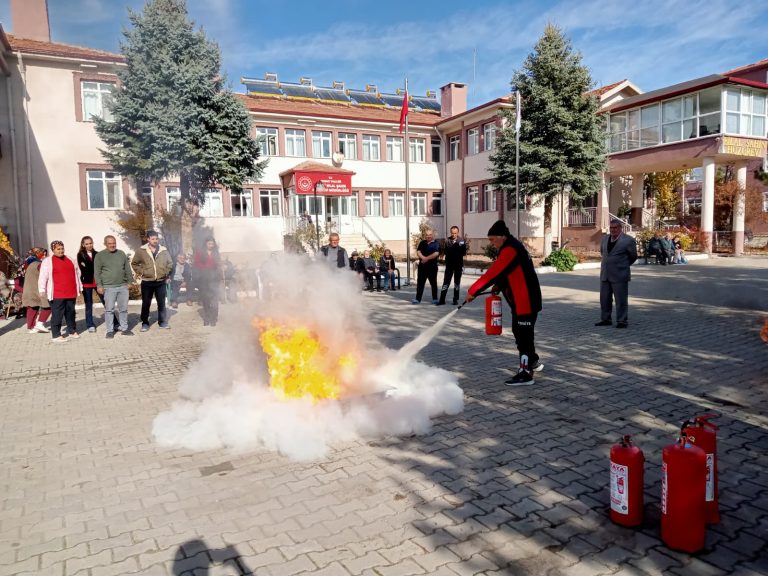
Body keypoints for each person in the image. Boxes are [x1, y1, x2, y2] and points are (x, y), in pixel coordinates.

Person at [466, 220, 543, 386]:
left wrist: (473, 291)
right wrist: (499, 285)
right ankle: (533, 361)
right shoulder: (511, 246)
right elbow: (508, 271)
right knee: (520, 332)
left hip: (525, 302)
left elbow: (493, 273)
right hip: (522, 301)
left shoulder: (510, 249)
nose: (491, 243)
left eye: (492, 240)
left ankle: (525, 373)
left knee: (523, 336)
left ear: (502, 236)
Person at [596, 219, 638, 329]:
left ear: (620, 228)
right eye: (611, 228)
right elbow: (603, 253)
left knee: (621, 300)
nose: (613, 230)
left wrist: (622, 265)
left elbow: (633, 256)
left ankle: (622, 321)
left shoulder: (628, 240)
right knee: (604, 299)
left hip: (620, 274)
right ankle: (605, 319)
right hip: (605, 274)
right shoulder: (605, 238)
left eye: (615, 228)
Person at [38, 240, 82, 343]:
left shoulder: (70, 259)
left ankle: (72, 331)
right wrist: (42, 289)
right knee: (57, 314)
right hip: (57, 293)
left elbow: (77, 274)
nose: (61, 251)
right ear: (53, 250)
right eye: (58, 249)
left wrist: (79, 287)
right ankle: (56, 335)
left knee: (70, 313)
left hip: (70, 292)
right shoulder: (47, 261)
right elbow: (43, 276)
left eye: (62, 248)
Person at [131, 230, 173, 332]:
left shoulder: (163, 250)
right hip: (147, 281)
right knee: (146, 303)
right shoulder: (141, 250)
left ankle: (162, 322)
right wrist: (142, 272)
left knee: (161, 303)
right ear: (148, 239)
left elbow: (170, 263)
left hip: (160, 281)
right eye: (153, 239)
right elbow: (134, 263)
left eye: (156, 239)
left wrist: (165, 272)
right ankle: (145, 323)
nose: (155, 241)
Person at [94, 235, 135, 338]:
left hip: (123, 286)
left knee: (123, 309)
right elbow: (97, 272)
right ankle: (110, 331)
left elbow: (127, 268)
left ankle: (124, 329)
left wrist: (130, 281)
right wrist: (99, 285)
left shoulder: (121, 253)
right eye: (110, 243)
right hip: (108, 287)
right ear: (105, 244)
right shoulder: (99, 256)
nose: (112, 245)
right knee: (109, 310)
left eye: (114, 243)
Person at [21, 247, 51, 334]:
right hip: (36, 290)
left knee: (32, 308)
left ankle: (31, 327)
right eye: (43, 253)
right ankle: (39, 324)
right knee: (48, 306)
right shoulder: (38, 264)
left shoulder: (27, 264)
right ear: (38, 254)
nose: (45, 255)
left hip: (29, 289)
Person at [194, 237, 221, 327]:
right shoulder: (200, 253)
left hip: (214, 278)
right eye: (209, 244)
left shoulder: (216, 253)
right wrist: (205, 269)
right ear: (206, 244)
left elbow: (218, 263)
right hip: (204, 278)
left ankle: (214, 318)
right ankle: (207, 318)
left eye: (212, 244)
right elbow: (197, 263)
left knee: (214, 299)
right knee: (206, 299)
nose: (211, 246)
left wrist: (220, 265)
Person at [77, 235, 102, 333]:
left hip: (98, 282)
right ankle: (90, 325)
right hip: (87, 282)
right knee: (88, 304)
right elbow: (84, 268)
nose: (89, 245)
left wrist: (88, 265)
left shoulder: (97, 254)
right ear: (83, 245)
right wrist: (92, 266)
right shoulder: (80, 255)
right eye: (87, 244)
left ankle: (115, 322)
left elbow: (98, 267)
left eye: (90, 243)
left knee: (106, 302)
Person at [438, 225, 467, 305]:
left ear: (458, 233)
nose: (453, 235)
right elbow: (445, 251)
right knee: (446, 282)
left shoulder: (461, 241)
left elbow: (464, 253)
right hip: (449, 265)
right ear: (450, 232)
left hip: (458, 265)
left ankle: (455, 299)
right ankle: (442, 300)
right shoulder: (447, 240)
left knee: (457, 283)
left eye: (455, 233)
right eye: (452, 233)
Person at [412, 229, 440, 304]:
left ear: (432, 235)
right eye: (427, 235)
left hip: (432, 267)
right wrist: (423, 258)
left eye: (430, 235)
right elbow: (418, 252)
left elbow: (436, 253)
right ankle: (418, 299)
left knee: (433, 283)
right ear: (425, 236)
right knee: (420, 284)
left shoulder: (436, 243)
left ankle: (435, 299)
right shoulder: (422, 243)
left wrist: (426, 258)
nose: (428, 236)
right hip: (422, 267)